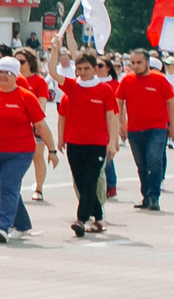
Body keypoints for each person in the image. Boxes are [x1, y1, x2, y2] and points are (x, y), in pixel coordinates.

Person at [0, 57, 54, 242]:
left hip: (20, 153)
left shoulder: (26, 97)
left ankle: (2, 226)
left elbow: (41, 125)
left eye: (7, 73)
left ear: (16, 76)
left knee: (8, 187)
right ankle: (22, 224)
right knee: (6, 189)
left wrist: (52, 150)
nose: (2, 76)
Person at [54, 49, 123, 237]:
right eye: (79, 69)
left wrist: (112, 142)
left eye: (86, 68)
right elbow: (62, 116)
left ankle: (81, 220)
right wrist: (60, 138)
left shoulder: (105, 90)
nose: (82, 72)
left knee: (91, 181)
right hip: (74, 143)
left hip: (97, 144)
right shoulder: (71, 89)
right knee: (81, 183)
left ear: (94, 69)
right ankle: (99, 218)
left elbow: (112, 117)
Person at [119, 51, 172, 211]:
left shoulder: (159, 79)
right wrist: (121, 124)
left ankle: (154, 196)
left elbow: (171, 102)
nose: (135, 66)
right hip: (134, 129)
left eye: (139, 62)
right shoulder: (127, 80)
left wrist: (172, 125)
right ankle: (146, 196)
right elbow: (118, 102)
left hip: (157, 128)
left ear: (147, 62)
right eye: (133, 62)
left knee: (154, 160)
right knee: (141, 165)